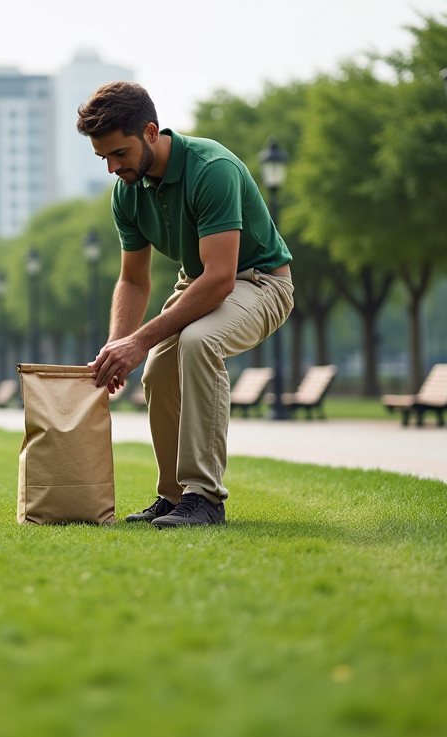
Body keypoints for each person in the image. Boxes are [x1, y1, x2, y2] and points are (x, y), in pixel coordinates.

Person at [80, 82, 294, 528]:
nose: (112, 167)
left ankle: (206, 498)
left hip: (260, 282)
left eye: (119, 153)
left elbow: (219, 278)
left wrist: (138, 341)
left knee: (197, 343)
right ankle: (175, 496)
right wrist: (117, 347)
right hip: (200, 282)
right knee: (158, 366)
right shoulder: (128, 192)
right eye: (104, 158)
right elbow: (133, 281)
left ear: (151, 132)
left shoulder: (210, 168)